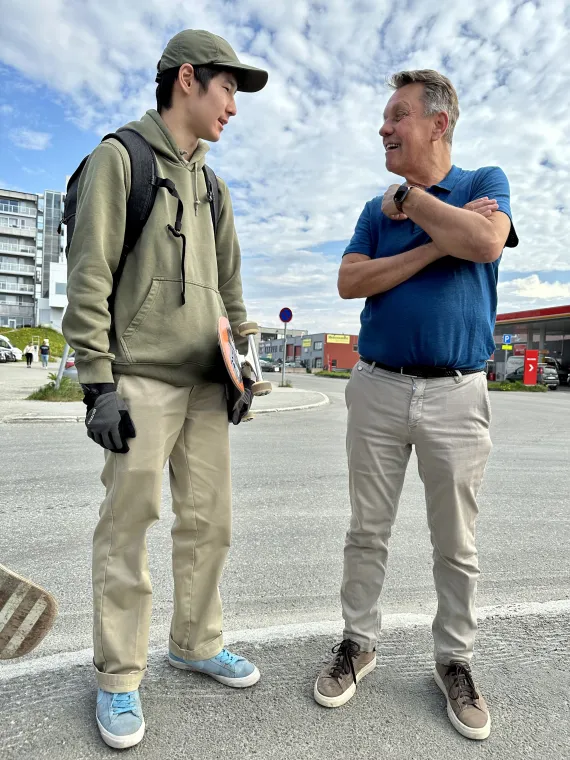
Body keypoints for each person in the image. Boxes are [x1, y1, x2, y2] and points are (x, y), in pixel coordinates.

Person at [62, 29, 268, 750]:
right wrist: (97, 385)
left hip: (207, 387)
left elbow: (232, 290)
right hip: (141, 378)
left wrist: (241, 366)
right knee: (127, 528)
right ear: (188, 79)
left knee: (210, 524)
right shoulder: (120, 161)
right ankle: (119, 677)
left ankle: (195, 640)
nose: (233, 108)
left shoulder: (214, 186)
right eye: (228, 90)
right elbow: (89, 276)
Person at [314, 70, 518, 741]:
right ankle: (357, 643)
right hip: (376, 385)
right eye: (383, 118)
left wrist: (412, 199)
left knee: (455, 542)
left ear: (439, 122)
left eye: (396, 115)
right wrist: (439, 243)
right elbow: (350, 280)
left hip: (457, 391)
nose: (383, 128)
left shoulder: (486, 180)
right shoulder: (377, 212)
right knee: (366, 531)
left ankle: (454, 660)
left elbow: (487, 243)